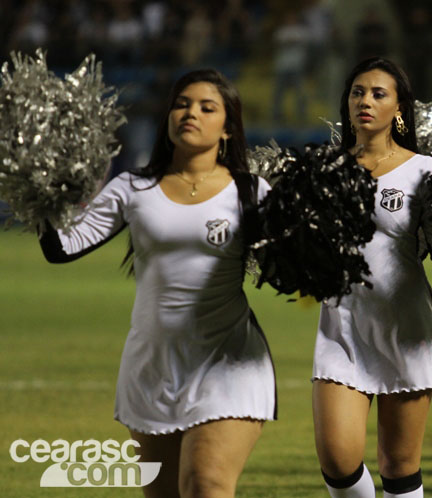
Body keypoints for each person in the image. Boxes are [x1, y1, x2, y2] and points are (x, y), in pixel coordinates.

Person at [38, 69, 274, 498]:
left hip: (228, 361)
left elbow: (283, 267)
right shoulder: (133, 187)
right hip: (153, 366)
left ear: (228, 129)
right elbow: (62, 247)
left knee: (206, 484)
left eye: (207, 107)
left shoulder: (250, 191)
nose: (191, 113)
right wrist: (40, 192)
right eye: (181, 104)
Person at [311, 57, 432, 498]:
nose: (365, 101)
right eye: (358, 92)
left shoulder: (425, 170)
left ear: (399, 108)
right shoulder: (325, 170)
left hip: (405, 327)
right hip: (342, 329)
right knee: (337, 461)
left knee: (398, 464)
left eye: (378, 94)